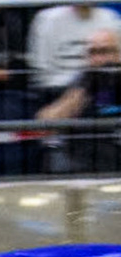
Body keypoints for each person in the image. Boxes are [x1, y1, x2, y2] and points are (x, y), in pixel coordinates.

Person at [37, 27, 121, 173]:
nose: (100, 59)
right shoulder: (83, 81)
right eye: (93, 53)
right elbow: (46, 121)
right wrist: (84, 89)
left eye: (106, 51)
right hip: (85, 164)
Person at [26, 0, 121, 93]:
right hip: (58, 91)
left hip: (104, 87)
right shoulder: (46, 19)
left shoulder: (112, 18)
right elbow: (42, 73)